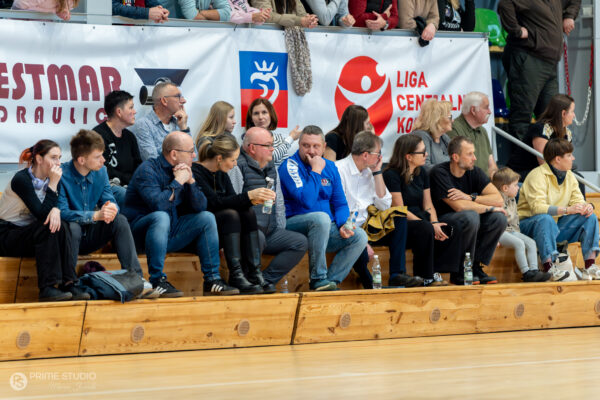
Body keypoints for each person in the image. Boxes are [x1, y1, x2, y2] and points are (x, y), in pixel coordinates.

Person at [124, 131, 239, 297]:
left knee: (207, 218)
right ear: (174, 154)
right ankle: (157, 280)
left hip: (169, 233)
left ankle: (212, 280)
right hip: (140, 237)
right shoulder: (148, 170)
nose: (194, 155)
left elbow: (201, 207)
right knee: (161, 217)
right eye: (190, 151)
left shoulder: (184, 171)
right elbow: (159, 205)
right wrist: (178, 181)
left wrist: (190, 181)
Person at [57, 130, 149, 293]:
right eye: (98, 156)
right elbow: (61, 212)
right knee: (73, 227)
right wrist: (95, 215)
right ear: (82, 160)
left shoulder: (101, 172)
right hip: (67, 239)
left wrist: (111, 208)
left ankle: (136, 278)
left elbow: (109, 198)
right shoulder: (61, 174)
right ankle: (69, 283)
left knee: (119, 220)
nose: (103, 160)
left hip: (91, 235)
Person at [279, 125, 368, 291]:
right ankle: (318, 278)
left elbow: (340, 203)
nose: (311, 151)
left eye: (316, 146)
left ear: (324, 147)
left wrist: (343, 224)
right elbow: (306, 201)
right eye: (306, 145)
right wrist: (316, 171)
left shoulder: (330, 167)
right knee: (321, 218)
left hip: (324, 229)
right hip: (294, 227)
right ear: (299, 145)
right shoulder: (289, 166)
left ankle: (329, 282)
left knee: (359, 236)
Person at [0, 140, 88, 301]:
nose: (58, 163)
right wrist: (53, 185)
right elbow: (42, 214)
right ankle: (47, 288)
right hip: (7, 235)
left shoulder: (53, 180)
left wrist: (56, 209)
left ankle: (69, 283)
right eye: (53, 157)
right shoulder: (21, 179)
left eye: (59, 158)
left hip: (31, 234)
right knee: (47, 226)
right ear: (39, 159)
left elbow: (55, 210)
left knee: (63, 226)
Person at [192, 133, 276, 294]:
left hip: (224, 227)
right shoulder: (196, 172)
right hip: (203, 228)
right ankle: (236, 274)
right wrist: (249, 196)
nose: (235, 164)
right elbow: (213, 203)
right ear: (219, 158)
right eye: (232, 160)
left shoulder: (221, 174)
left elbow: (232, 200)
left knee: (247, 212)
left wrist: (254, 199)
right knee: (230, 215)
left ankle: (254, 273)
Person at [336, 131, 422, 288]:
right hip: (346, 227)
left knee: (399, 216)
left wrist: (377, 172)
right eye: (378, 154)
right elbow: (338, 209)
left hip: (368, 225)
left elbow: (385, 204)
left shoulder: (370, 172)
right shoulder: (339, 169)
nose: (380, 158)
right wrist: (361, 240)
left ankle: (397, 274)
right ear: (365, 155)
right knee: (360, 253)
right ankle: (369, 284)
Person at [228, 127, 309, 290]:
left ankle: (265, 279)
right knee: (257, 237)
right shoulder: (237, 166)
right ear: (252, 148)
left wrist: (280, 229)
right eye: (268, 145)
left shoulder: (272, 166)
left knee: (299, 242)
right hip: (247, 233)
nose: (273, 149)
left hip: (270, 231)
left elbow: (279, 203)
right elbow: (231, 205)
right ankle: (245, 281)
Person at [498, 0, 581, 141]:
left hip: (550, 63)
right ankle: (522, 155)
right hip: (529, 58)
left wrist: (569, 16)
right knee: (522, 116)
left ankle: (549, 154)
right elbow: (505, 4)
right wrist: (516, 30)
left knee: (553, 118)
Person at [518, 138, 600, 280]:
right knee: (545, 219)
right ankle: (550, 268)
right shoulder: (536, 176)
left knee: (590, 217)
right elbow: (537, 207)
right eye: (569, 155)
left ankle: (590, 266)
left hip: (553, 226)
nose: (573, 158)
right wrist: (567, 210)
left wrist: (585, 207)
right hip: (528, 227)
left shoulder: (570, 175)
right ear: (558, 159)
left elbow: (577, 199)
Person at [384, 134, 461, 286]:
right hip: (401, 222)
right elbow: (399, 209)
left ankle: (440, 270)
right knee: (425, 228)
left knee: (452, 227)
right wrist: (428, 225)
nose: (426, 154)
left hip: (421, 218)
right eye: (422, 152)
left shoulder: (422, 172)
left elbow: (428, 204)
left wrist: (435, 223)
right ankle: (426, 277)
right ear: (408, 156)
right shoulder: (391, 175)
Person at [429, 136, 507, 285]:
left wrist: (470, 197)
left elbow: (498, 199)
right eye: (469, 154)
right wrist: (489, 208)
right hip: (444, 223)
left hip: (468, 220)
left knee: (498, 218)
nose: (474, 158)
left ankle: (475, 267)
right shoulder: (439, 173)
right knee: (471, 216)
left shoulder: (474, 172)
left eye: (474, 153)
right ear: (455, 157)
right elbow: (459, 206)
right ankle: (460, 271)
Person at [491, 167, 552, 282]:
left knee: (531, 242)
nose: (518, 187)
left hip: (511, 231)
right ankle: (526, 273)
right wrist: (493, 238)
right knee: (519, 243)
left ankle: (534, 271)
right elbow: (492, 222)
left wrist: (518, 234)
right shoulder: (495, 200)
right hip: (499, 232)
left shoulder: (512, 199)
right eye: (515, 185)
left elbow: (515, 220)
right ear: (505, 188)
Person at [507, 94, 576, 181]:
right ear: (563, 113)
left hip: (544, 173)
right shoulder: (541, 129)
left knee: (576, 179)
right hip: (521, 173)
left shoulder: (567, 133)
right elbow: (545, 163)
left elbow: (566, 161)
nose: (574, 115)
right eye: (572, 111)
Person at [93, 90, 143, 208]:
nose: (135, 111)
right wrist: (129, 180)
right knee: (126, 195)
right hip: (109, 189)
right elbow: (101, 169)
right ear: (119, 112)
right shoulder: (97, 136)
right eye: (131, 108)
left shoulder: (130, 137)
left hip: (130, 187)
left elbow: (139, 166)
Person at [131, 82, 189, 161]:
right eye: (178, 96)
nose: (184, 101)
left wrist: (184, 128)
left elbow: (193, 158)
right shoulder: (144, 125)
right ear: (164, 101)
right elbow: (153, 162)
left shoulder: (179, 124)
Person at [447, 91, 498, 178]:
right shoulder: (454, 129)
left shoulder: (483, 131)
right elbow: (458, 166)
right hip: (468, 184)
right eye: (486, 107)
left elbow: (491, 165)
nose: (489, 112)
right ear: (473, 110)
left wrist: (497, 180)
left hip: (485, 183)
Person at [245, 98, 301, 166]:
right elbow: (269, 159)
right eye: (256, 113)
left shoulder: (279, 138)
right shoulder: (248, 139)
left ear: (270, 115)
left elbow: (285, 162)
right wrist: (291, 138)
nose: (260, 117)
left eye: (264, 112)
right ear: (251, 118)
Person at [411, 98, 453, 171]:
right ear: (437, 119)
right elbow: (424, 167)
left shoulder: (444, 137)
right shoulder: (420, 136)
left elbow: (457, 160)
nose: (452, 120)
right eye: (450, 117)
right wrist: (451, 171)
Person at [250, 0, 318, 27]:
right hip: (265, 41)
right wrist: (299, 21)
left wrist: (310, 20)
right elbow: (266, 16)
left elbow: (302, 15)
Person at [160, 0, 231, 20]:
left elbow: (227, 14)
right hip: (167, 30)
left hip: (193, 33)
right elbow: (191, 15)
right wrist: (213, 16)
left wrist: (199, 12)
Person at [12, 0, 79, 20]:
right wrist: (55, 11)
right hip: (19, 25)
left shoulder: (72, 2)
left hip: (45, 29)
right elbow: (18, 4)